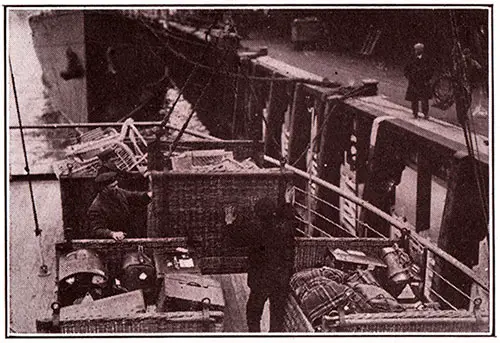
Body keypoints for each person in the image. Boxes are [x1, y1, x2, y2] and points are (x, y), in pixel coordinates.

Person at [224, 197, 298, 332]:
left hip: (261, 280)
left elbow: (235, 240)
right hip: (280, 279)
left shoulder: (255, 230)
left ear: (257, 213)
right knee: (277, 314)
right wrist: (287, 203)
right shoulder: (284, 227)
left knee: (253, 313)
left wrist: (229, 222)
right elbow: (292, 220)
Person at [87, 169, 152, 241]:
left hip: (127, 236)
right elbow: (96, 230)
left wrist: (148, 195)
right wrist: (112, 234)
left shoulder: (119, 193)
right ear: (104, 189)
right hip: (110, 244)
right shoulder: (96, 208)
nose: (116, 188)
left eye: (116, 185)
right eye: (113, 186)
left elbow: (134, 197)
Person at [404, 43, 434, 119]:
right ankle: (415, 112)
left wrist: (428, 78)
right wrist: (409, 77)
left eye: (417, 50)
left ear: (421, 50)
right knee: (414, 99)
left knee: (425, 99)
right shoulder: (411, 58)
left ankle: (425, 113)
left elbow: (431, 69)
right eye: (415, 50)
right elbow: (406, 69)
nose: (416, 51)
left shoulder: (427, 59)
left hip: (424, 81)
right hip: (414, 81)